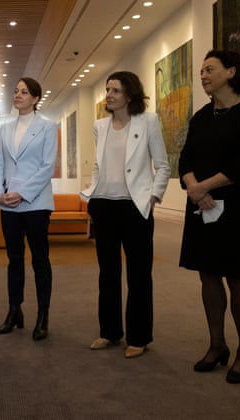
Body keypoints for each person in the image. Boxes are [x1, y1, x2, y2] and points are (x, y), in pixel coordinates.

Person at [179, 50, 240, 384]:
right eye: (201, 70)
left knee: (238, 278)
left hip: (238, 208)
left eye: (210, 69)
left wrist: (203, 186)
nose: (203, 75)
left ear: (231, 71)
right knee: (207, 275)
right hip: (202, 208)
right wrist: (195, 189)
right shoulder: (202, 117)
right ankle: (217, 345)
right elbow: (185, 159)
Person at [80, 71, 170, 358]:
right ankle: (109, 332)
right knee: (108, 273)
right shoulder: (100, 126)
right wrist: (92, 193)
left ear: (129, 94)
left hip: (135, 207)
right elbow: (98, 165)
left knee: (139, 273)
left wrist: (153, 196)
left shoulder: (148, 122)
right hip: (104, 204)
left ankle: (139, 337)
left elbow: (163, 164)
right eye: (108, 90)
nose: (109, 95)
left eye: (115, 90)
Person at [0, 77, 57, 341]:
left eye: (24, 92)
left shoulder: (47, 127)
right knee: (14, 260)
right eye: (16, 91)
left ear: (35, 98)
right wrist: (0, 194)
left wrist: (23, 193)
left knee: (40, 261)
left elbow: (47, 167)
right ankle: (14, 310)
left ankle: (43, 316)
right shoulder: (5, 128)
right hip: (9, 205)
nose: (18, 95)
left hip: (36, 203)